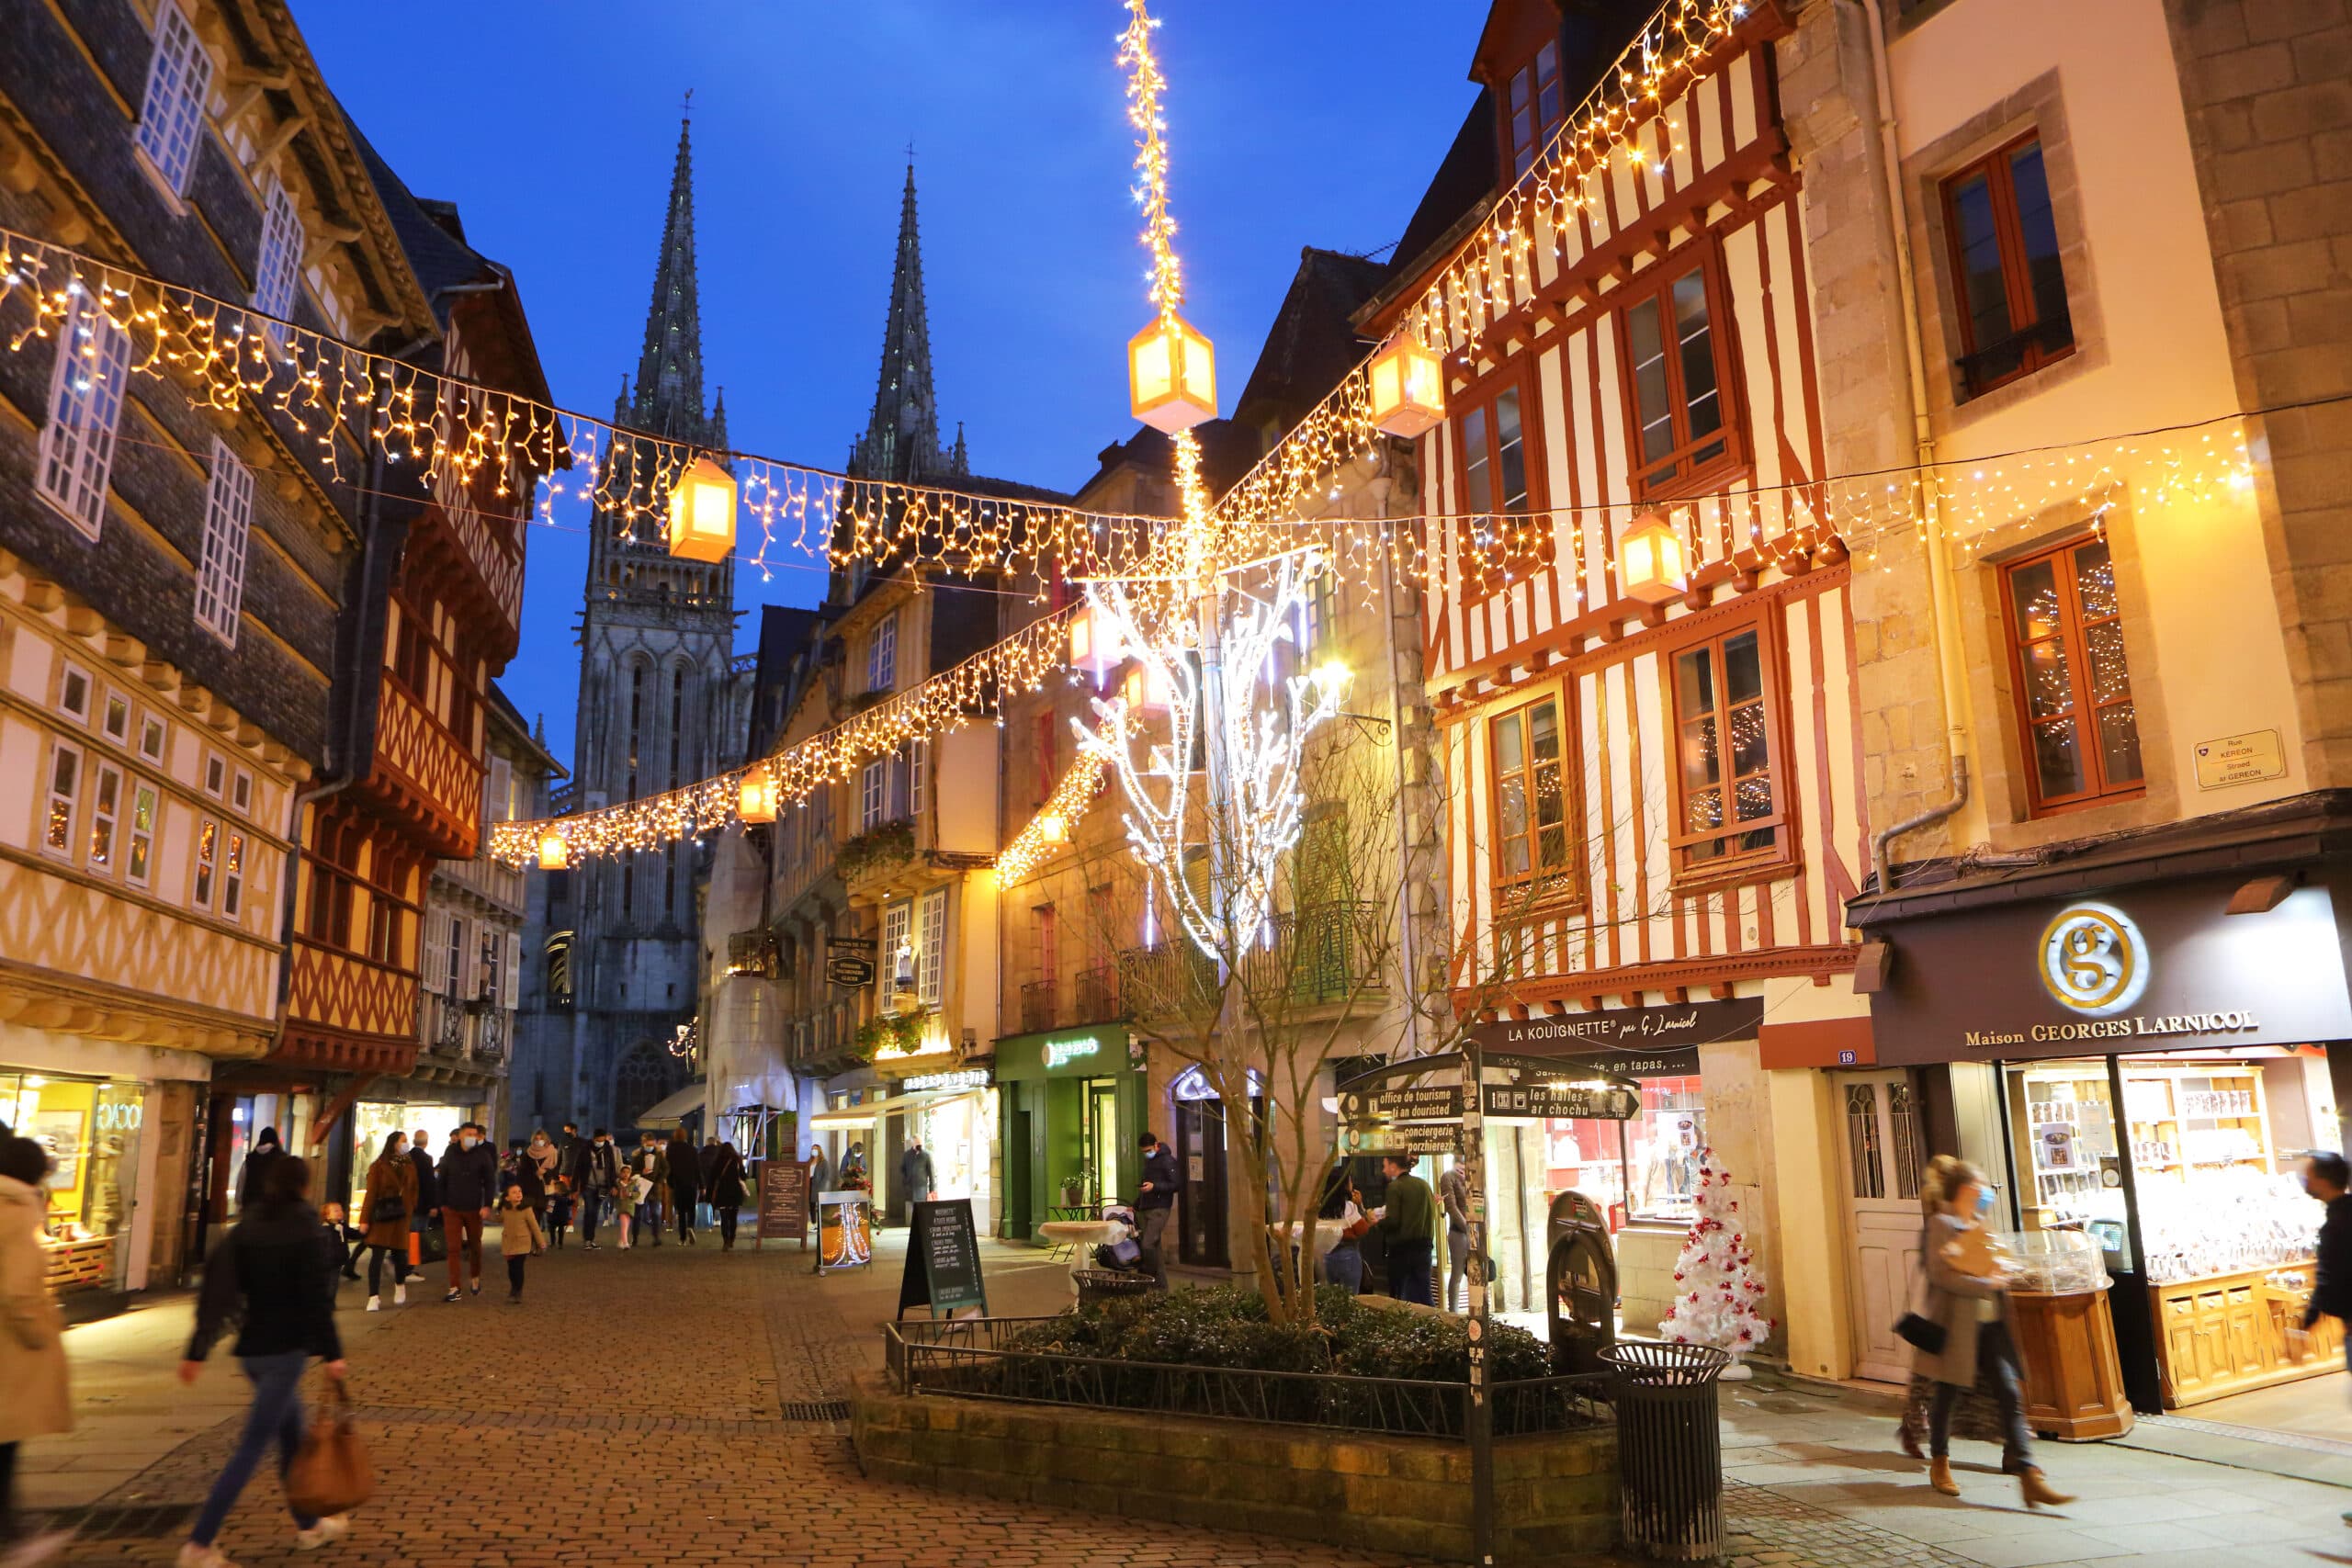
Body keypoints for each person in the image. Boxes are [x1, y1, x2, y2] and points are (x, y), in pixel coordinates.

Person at [176, 1155, 349, 1567]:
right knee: (252, 1448)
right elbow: (316, 1299)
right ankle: (199, 1545)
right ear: (305, 1187)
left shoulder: (249, 1224)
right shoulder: (305, 1227)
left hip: (252, 1350)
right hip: (284, 1351)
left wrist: (198, 1348)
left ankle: (309, 1526)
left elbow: (217, 1285)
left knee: (292, 1439)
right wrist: (334, 1353)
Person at [1911, 1156, 2071, 1507]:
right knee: (1947, 1396)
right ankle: (1940, 1463)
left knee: (2009, 1394)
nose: (1986, 1194)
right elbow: (1941, 1275)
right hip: (1957, 1326)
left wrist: (2008, 1269)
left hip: (1992, 1324)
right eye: (1981, 1188)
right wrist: (1986, 1279)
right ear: (1967, 1190)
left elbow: (1995, 1258)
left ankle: (2028, 1474)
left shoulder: (1980, 1222)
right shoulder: (1941, 1223)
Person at [0, 1134, 73, 1568]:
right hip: (9, 1352)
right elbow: (18, 1291)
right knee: (6, 1442)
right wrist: (40, 1335)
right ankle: (10, 1540)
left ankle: (12, 1532)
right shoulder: (18, 1211)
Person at [436, 1122, 499, 1303]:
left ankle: (475, 1278)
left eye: (475, 1134)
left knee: (475, 1246)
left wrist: (487, 1205)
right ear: (461, 1135)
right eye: (470, 1134)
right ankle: (455, 1287)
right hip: (452, 1207)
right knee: (453, 1248)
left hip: (474, 1208)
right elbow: (442, 1179)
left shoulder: (483, 1155)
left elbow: (489, 1181)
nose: (473, 1137)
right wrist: (440, 1203)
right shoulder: (450, 1153)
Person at [356, 1131, 417, 1312]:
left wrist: (411, 1207)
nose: (406, 1144)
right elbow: (371, 1193)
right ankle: (373, 1297)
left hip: (401, 1215)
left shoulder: (409, 1165)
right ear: (394, 1143)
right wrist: (364, 1219)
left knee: (400, 1255)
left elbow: (414, 1188)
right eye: (403, 1141)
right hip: (383, 1214)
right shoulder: (379, 1166)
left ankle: (400, 1285)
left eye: (407, 1141)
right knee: (377, 1256)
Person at [1374, 1154, 1437, 1307]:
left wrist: (1378, 1222)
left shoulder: (1395, 1187)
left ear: (1393, 1167)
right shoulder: (1424, 1185)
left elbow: (1394, 1221)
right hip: (1425, 1248)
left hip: (1402, 1252)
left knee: (1401, 1299)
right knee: (1424, 1294)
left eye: (1385, 1165)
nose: (1383, 1170)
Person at [1134, 1132, 1180, 1288]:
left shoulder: (1167, 1161)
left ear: (1156, 1145)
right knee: (1155, 1248)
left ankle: (1147, 1277)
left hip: (1160, 1208)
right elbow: (1145, 1186)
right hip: (1147, 1206)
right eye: (1144, 1152)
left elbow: (1176, 1185)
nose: (1147, 1154)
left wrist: (1155, 1187)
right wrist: (1135, 1205)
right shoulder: (1149, 1163)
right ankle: (1161, 1288)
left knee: (1147, 1244)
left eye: (1148, 1151)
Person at [1317, 1169, 1367, 1296]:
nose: (1352, 1184)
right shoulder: (1348, 1206)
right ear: (1344, 1185)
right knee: (1350, 1299)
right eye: (1350, 1181)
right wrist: (1360, 1207)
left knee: (1334, 1299)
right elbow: (1362, 1229)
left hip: (1327, 1256)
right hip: (1348, 1256)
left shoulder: (1321, 1206)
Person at [497, 1183, 547, 1305]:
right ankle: (514, 1288)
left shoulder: (526, 1209)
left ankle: (517, 1291)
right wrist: (487, 1217)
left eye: (519, 1191)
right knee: (511, 1269)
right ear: (507, 1197)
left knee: (518, 1268)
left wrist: (541, 1242)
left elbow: (534, 1226)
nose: (518, 1193)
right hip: (508, 1243)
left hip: (522, 1243)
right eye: (514, 1192)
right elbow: (500, 1219)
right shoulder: (505, 1209)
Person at [405, 1125, 440, 1283]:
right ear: (426, 1142)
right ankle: (408, 1269)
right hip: (422, 1204)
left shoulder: (406, 1157)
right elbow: (429, 1184)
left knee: (408, 1235)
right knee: (416, 1237)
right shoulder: (426, 1159)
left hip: (408, 1204)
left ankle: (402, 1265)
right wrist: (433, 1205)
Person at [1438, 1160, 1473, 1312]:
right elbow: (1451, 1207)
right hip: (1459, 1232)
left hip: (1475, 1230)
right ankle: (1454, 1312)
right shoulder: (1448, 1177)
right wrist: (1468, 1229)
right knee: (1457, 1274)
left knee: (1477, 1273)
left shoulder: (1474, 1175)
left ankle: (1477, 1308)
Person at [581, 1129, 618, 1250]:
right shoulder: (586, 1149)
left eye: (603, 1140)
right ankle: (587, 1239)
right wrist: (575, 1186)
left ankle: (591, 1239)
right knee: (589, 1211)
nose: (601, 1142)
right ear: (594, 1138)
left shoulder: (608, 1150)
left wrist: (613, 1185)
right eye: (598, 1140)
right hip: (588, 1185)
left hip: (602, 1187)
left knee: (595, 1213)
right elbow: (578, 1167)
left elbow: (611, 1168)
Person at [707, 1141, 748, 1252]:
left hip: (722, 1193)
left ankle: (725, 1240)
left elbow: (712, 1180)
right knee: (733, 1218)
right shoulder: (737, 1160)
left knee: (724, 1218)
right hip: (735, 1193)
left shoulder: (718, 1161)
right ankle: (732, 1239)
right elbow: (744, 1176)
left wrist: (709, 1196)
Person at [234, 1126, 283, 1214]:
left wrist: (239, 1203)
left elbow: (241, 1182)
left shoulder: (250, 1159)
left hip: (250, 1208)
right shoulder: (281, 1159)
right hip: (273, 1211)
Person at [632, 1134, 668, 1246]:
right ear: (643, 1143)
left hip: (654, 1187)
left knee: (655, 1213)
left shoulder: (659, 1155)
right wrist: (641, 1172)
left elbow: (666, 1168)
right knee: (637, 1214)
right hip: (641, 1186)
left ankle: (656, 1237)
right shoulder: (637, 1155)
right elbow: (633, 1171)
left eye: (652, 1144)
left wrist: (659, 1179)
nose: (650, 1146)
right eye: (648, 1144)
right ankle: (635, 1237)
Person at [667, 1132, 701, 1246]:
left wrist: (670, 1183)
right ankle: (690, 1226)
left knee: (681, 1212)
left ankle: (682, 1239)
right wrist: (701, 1184)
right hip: (691, 1184)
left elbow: (669, 1169)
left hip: (678, 1184)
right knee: (691, 1209)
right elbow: (697, 1168)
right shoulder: (692, 1149)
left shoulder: (671, 1150)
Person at [320, 1202, 364, 1283]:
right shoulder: (325, 1229)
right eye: (336, 1211)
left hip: (339, 1260)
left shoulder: (343, 1225)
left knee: (334, 1280)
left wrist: (362, 1232)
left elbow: (352, 1234)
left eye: (341, 1210)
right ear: (327, 1216)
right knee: (330, 1282)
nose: (340, 1212)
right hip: (329, 1260)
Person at [900, 1136, 936, 1227]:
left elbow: (931, 1172)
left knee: (921, 1208)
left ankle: (922, 1226)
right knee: (912, 1207)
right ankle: (914, 1226)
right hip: (910, 1186)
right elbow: (902, 1169)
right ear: (912, 1144)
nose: (919, 1145)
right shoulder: (907, 1155)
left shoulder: (926, 1155)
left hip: (922, 1187)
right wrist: (905, 1180)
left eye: (920, 1143)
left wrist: (932, 1189)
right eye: (917, 1143)